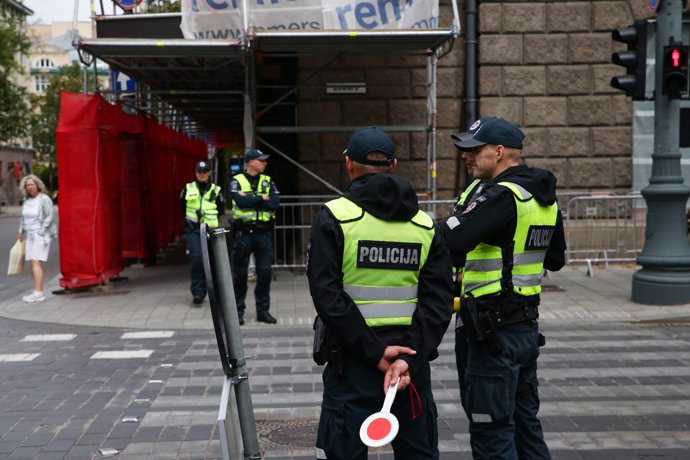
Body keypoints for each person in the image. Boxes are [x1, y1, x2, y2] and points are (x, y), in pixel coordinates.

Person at [307, 126, 453, 459]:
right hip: (409, 368)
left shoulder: (335, 219)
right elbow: (439, 301)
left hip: (353, 363)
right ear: (394, 164)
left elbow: (327, 296)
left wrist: (375, 353)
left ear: (349, 164)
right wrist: (406, 357)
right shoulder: (425, 226)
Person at [442, 117, 566, 460]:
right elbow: (555, 258)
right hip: (523, 328)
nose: (465, 155)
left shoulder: (501, 196)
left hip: (491, 332)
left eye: (473, 149)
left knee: (491, 431)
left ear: (498, 152)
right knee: (525, 424)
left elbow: (451, 239)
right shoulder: (542, 197)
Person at [229, 148, 280, 325]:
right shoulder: (237, 181)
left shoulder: (268, 181)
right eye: (261, 160)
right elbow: (240, 203)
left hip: (263, 233)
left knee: (265, 272)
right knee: (240, 274)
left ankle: (263, 311)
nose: (265, 163)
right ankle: (238, 312)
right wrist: (261, 198)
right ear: (251, 162)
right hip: (244, 233)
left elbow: (275, 204)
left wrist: (253, 199)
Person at [180, 160, 224, 306]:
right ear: (196, 173)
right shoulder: (188, 188)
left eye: (205, 172)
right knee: (197, 258)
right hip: (193, 229)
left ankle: (214, 291)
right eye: (199, 172)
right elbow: (182, 207)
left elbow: (221, 209)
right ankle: (198, 292)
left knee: (212, 260)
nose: (202, 175)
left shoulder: (216, 190)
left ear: (209, 173)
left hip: (210, 230)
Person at [17, 174, 57, 303]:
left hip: (40, 235)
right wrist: (20, 232)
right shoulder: (26, 200)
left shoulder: (44, 199)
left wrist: (41, 231)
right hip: (29, 235)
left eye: (32, 184)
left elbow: (49, 216)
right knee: (33, 264)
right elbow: (23, 218)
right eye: (27, 185)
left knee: (36, 263)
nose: (30, 187)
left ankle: (39, 293)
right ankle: (37, 291)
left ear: (37, 185)